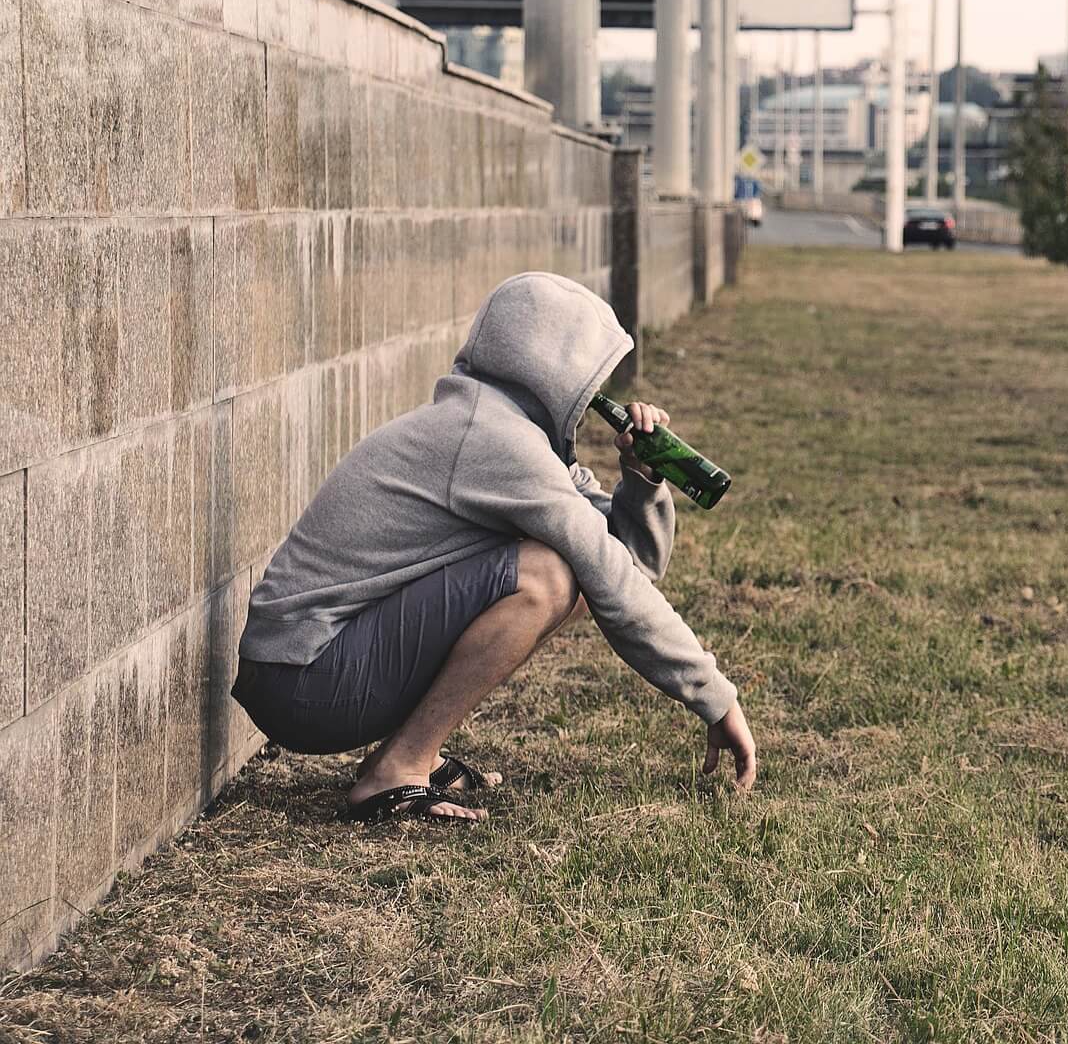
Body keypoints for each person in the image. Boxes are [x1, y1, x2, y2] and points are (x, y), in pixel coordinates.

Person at [233, 272, 756, 822]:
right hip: (304, 678)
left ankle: (410, 753)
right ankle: (399, 768)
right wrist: (715, 699)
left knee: (569, 575)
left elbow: (629, 565)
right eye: (593, 375)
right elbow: (613, 578)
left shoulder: (509, 432)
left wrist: (642, 481)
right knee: (547, 576)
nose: (598, 394)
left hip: (312, 667)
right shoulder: (494, 441)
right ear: (556, 370)